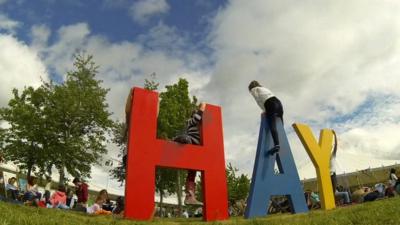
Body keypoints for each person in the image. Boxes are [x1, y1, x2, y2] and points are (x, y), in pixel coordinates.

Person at [173, 102, 206, 205]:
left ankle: (190, 196)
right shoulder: (191, 122)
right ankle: (178, 139)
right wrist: (201, 109)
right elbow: (197, 118)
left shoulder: (203, 126)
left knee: (192, 173)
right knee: (186, 139)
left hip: (196, 152)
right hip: (190, 143)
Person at [248, 81, 283, 155]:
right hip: (278, 103)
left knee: (272, 124)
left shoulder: (254, 89)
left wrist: (264, 110)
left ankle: (277, 145)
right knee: (280, 121)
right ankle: (282, 137)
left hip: (270, 103)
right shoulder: (263, 88)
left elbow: (258, 100)